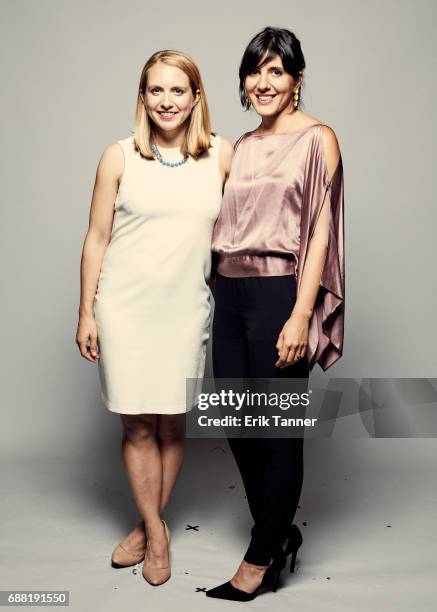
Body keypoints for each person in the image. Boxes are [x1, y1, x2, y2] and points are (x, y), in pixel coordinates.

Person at [75, 49, 233, 587]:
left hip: (185, 308)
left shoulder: (222, 155)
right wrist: (85, 314)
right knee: (137, 422)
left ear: (196, 98)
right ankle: (157, 532)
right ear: (143, 97)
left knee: (171, 420)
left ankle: (145, 529)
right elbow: (96, 240)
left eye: (178, 90)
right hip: (124, 307)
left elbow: (247, 228)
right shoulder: (118, 156)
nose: (167, 100)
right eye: (156, 90)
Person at [206, 27, 345, 601]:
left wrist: (300, 314)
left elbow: (319, 233)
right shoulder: (238, 146)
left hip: (281, 293)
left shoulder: (318, 139)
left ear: (296, 80)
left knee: (279, 430)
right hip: (229, 292)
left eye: (275, 72)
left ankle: (260, 557)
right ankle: (281, 533)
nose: (262, 83)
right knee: (237, 422)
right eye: (254, 71)